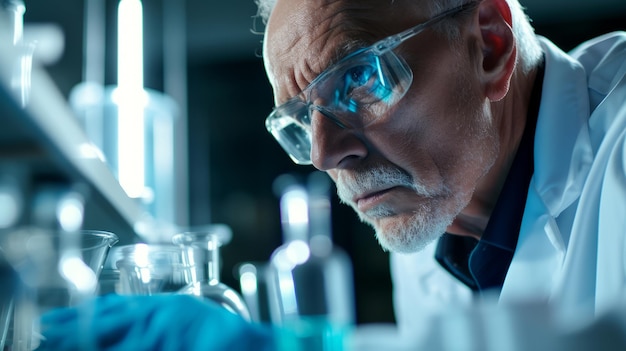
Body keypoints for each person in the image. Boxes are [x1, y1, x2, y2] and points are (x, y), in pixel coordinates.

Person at [39, 0, 626, 349]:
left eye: (361, 79)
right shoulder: (432, 219)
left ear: (490, 44)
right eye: (298, 120)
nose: (324, 154)